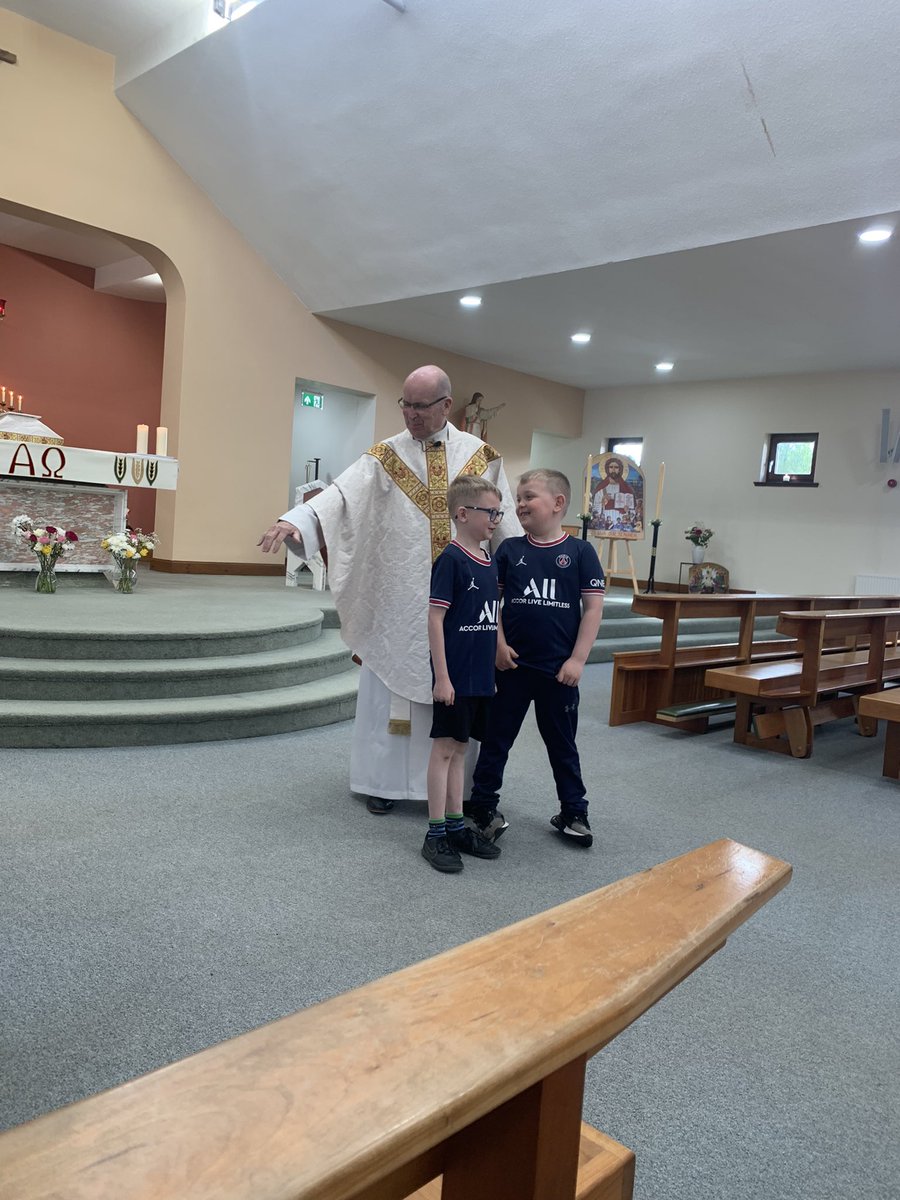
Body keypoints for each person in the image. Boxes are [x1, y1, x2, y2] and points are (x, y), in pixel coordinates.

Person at [257, 365, 520, 813]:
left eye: (421, 406)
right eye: (405, 405)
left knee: (459, 688)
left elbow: (505, 521)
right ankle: (383, 783)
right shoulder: (385, 455)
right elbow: (341, 497)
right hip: (400, 598)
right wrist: (298, 520)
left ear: (446, 405)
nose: (411, 415)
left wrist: (521, 579)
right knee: (390, 684)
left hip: (466, 601)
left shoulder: (481, 456)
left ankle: (455, 793)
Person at [464, 468, 605, 847]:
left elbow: (593, 610)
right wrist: (497, 643)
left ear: (558, 503)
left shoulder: (581, 552)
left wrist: (578, 660)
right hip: (511, 667)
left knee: (562, 745)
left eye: (529, 496)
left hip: (559, 671)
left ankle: (574, 811)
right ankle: (483, 806)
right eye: (519, 498)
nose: (521, 504)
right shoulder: (510, 550)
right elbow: (491, 601)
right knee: (496, 740)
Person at [423, 475, 504, 873]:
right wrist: (442, 677)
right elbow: (435, 619)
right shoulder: (451, 560)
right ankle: (435, 833)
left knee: (461, 750)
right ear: (462, 513)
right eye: (490, 512)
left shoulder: (488, 559)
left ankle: (456, 826)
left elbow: (490, 618)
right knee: (444, 750)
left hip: (478, 676)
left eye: (498, 512)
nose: (496, 520)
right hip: (454, 675)